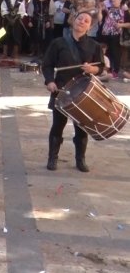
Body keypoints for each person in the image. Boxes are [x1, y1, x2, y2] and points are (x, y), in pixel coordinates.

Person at [41, 11, 104, 172]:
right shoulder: (58, 43)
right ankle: (52, 158)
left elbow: (101, 67)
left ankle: (80, 159)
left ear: (90, 26)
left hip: (84, 92)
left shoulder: (94, 46)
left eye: (86, 21)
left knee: (81, 128)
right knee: (57, 126)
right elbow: (47, 64)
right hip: (61, 89)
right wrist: (50, 81)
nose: (82, 21)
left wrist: (93, 68)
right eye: (79, 18)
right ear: (73, 21)